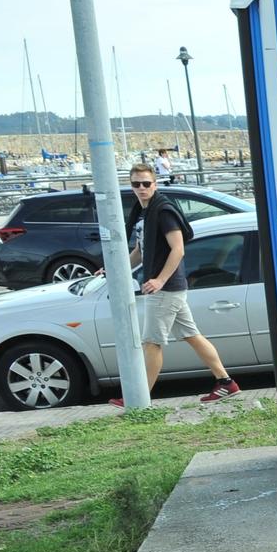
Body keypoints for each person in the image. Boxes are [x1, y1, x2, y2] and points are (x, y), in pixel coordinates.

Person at [108, 165, 239, 405]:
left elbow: (178, 250)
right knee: (192, 335)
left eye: (146, 183)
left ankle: (139, 399)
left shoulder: (163, 211)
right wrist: (116, 270)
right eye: (136, 184)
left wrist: (159, 280)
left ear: (155, 184)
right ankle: (225, 383)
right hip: (166, 287)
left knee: (152, 343)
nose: (141, 188)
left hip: (165, 288)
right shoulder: (143, 213)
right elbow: (140, 250)